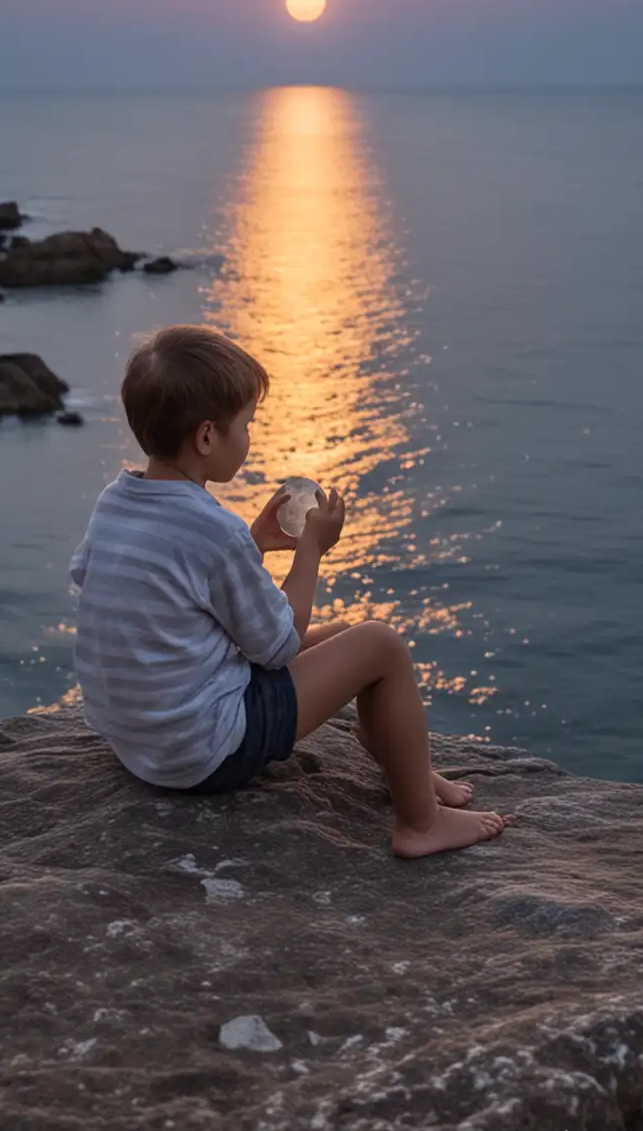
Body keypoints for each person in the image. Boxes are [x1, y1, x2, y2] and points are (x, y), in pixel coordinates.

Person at [70, 323, 513, 857]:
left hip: (140, 742)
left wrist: (251, 547)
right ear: (208, 437)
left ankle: (400, 757)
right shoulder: (213, 529)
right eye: (246, 425)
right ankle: (420, 822)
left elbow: (146, 590)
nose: (249, 437)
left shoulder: (114, 503)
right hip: (205, 752)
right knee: (381, 643)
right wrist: (310, 553)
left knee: (346, 636)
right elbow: (277, 644)